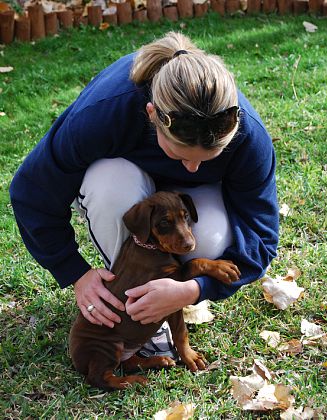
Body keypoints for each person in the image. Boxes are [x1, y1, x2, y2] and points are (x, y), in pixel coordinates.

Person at [10, 32, 278, 352]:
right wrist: (75, 272)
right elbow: (31, 191)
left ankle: (170, 295)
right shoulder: (105, 113)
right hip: (123, 182)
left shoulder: (248, 138)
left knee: (210, 239)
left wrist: (194, 289)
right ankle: (137, 305)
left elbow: (261, 238)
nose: (191, 168)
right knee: (111, 184)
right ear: (152, 115)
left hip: (186, 202)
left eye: (207, 159)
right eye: (180, 155)